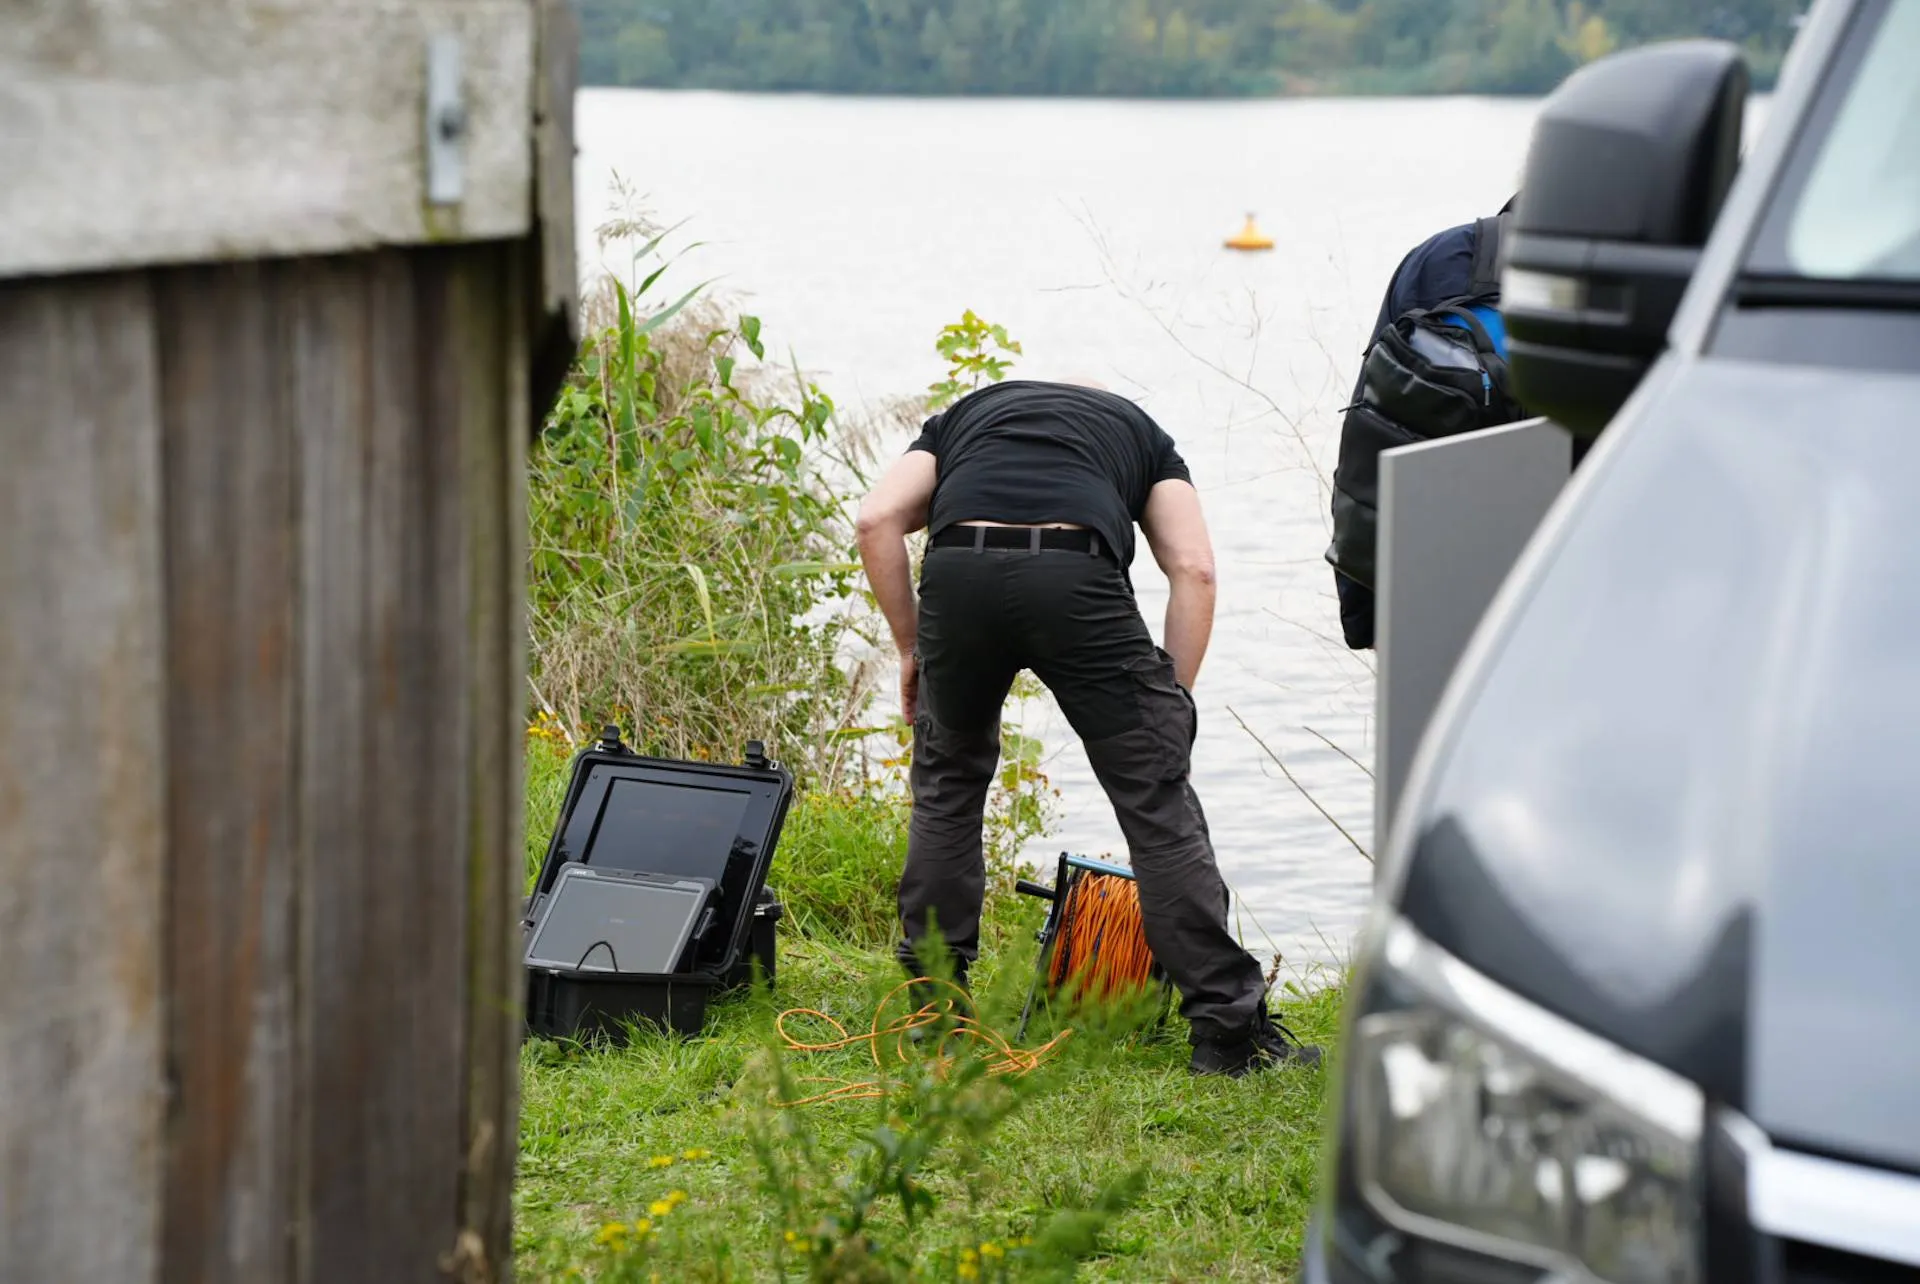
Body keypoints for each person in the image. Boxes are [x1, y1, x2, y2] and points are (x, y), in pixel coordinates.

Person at [855, 377, 1322, 1077]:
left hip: (960, 574)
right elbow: (1193, 567)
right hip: (1077, 578)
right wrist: (1169, 703)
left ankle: (932, 1014)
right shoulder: (1140, 432)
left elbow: (875, 519)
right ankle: (1229, 1032)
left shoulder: (965, 420)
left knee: (948, 787)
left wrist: (908, 645)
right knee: (1156, 804)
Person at [1327, 197, 1525, 651]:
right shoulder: (1674, 273)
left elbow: (1372, 429)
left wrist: (1368, 617)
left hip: (1435, 589)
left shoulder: (1449, 256)